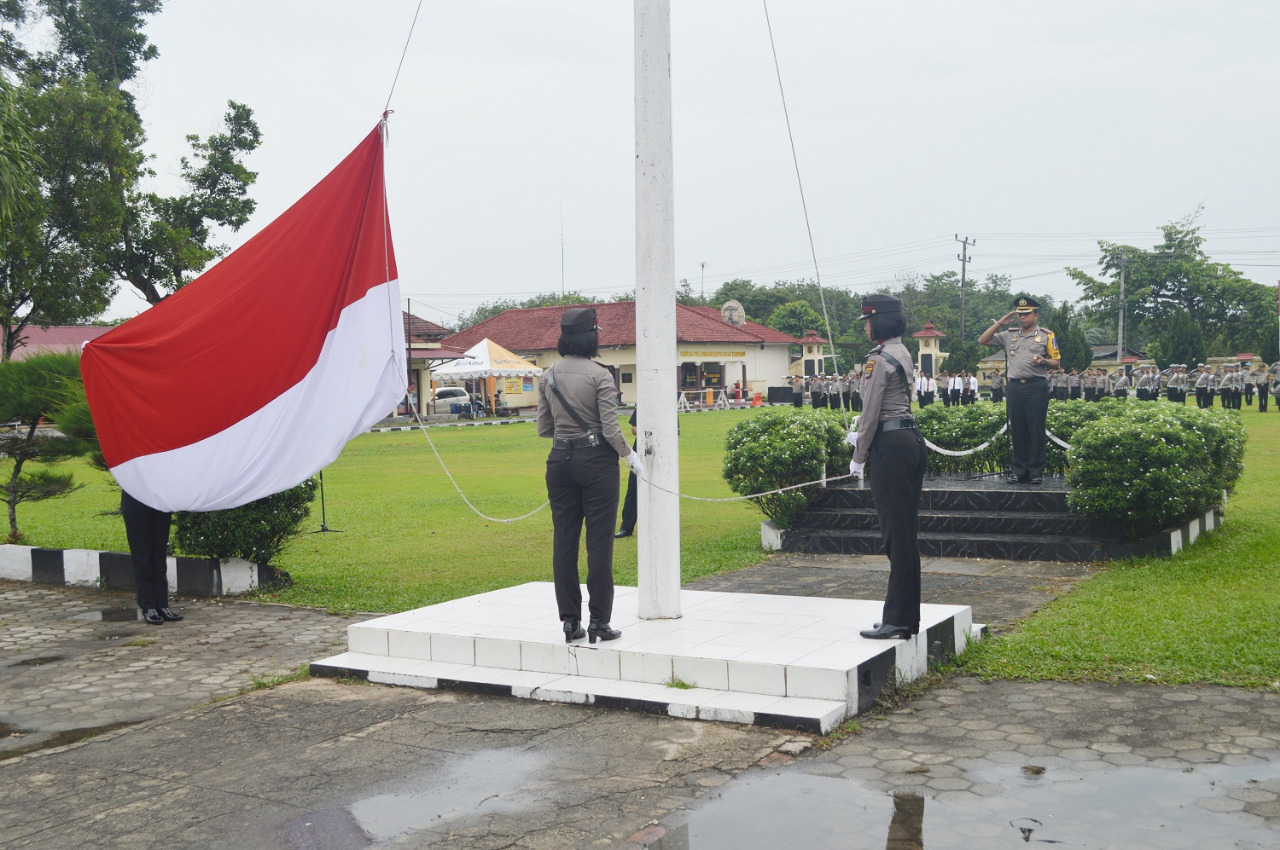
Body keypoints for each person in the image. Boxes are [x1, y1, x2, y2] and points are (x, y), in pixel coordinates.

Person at [537, 307, 641, 644]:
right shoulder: (600, 375)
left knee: (564, 543)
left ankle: (570, 621)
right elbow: (611, 428)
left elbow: (544, 428)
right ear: (591, 335)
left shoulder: (547, 375)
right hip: (597, 462)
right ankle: (599, 622)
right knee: (598, 544)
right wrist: (629, 455)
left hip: (559, 460)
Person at [848, 294, 926, 641]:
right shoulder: (903, 350)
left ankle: (899, 618)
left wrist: (858, 455)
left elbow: (871, 412)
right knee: (904, 535)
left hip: (890, 448)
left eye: (866, 321)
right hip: (908, 441)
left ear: (877, 322)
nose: (865, 327)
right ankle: (903, 616)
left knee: (896, 537)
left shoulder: (878, 360)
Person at [979, 296, 1060, 485]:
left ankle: (1036, 471)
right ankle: (1020, 471)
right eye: (1020, 314)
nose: (1022, 318)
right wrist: (1000, 322)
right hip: (1015, 386)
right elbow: (982, 340)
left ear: (1036, 315)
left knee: (1036, 429)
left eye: (1026, 314)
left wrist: (1044, 361)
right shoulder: (1009, 335)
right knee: (1018, 430)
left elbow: (1056, 363)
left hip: (1036, 387)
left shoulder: (1047, 336)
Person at [120, 490, 182, 626]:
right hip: (135, 497)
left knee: (159, 553)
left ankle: (162, 604)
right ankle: (148, 606)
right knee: (141, 554)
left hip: (159, 498)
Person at [616, 410, 639, 538]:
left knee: (634, 490)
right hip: (642, 450)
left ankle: (627, 527)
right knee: (634, 488)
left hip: (648, 448)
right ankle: (627, 526)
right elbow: (634, 430)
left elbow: (635, 429)